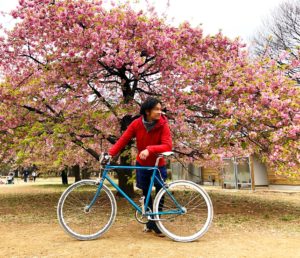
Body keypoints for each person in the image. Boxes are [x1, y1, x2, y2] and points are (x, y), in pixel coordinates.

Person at [108, 97, 172, 234]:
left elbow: (168, 146)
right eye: (157, 109)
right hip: (142, 164)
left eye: (161, 109)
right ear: (147, 111)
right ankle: (150, 222)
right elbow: (124, 139)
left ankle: (157, 223)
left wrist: (150, 149)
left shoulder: (163, 124)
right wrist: (110, 153)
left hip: (157, 164)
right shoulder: (136, 124)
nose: (160, 112)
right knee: (146, 192)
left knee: (161, 192)